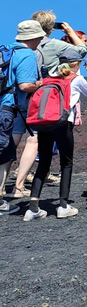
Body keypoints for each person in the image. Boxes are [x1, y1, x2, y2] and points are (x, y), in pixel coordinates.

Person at [8, 13, 87, 198]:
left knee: (12, 138)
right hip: (42, 97)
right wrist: (69, 31)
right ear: (51, 28)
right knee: (34, 139)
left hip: (16, 97)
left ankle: (4, 180)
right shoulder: (52, 44)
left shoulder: (21, 47)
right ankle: (18, 186)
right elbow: (82, 51)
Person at [24, 49, 87, 220]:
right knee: (66, 163)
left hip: (44, 124)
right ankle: (63, 206)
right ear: (77, 63)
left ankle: (33, 207)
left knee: (43, 163)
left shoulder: (48, 77)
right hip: (63, 124)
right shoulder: (76, 79)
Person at [0, 21, 44, 216]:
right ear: (32, 37)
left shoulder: (6, 50)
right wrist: (42, 83)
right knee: (3, 152)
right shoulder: (27, 54)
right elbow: (25, 86)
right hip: (8, 108)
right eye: (40, 36)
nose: (41, 39)